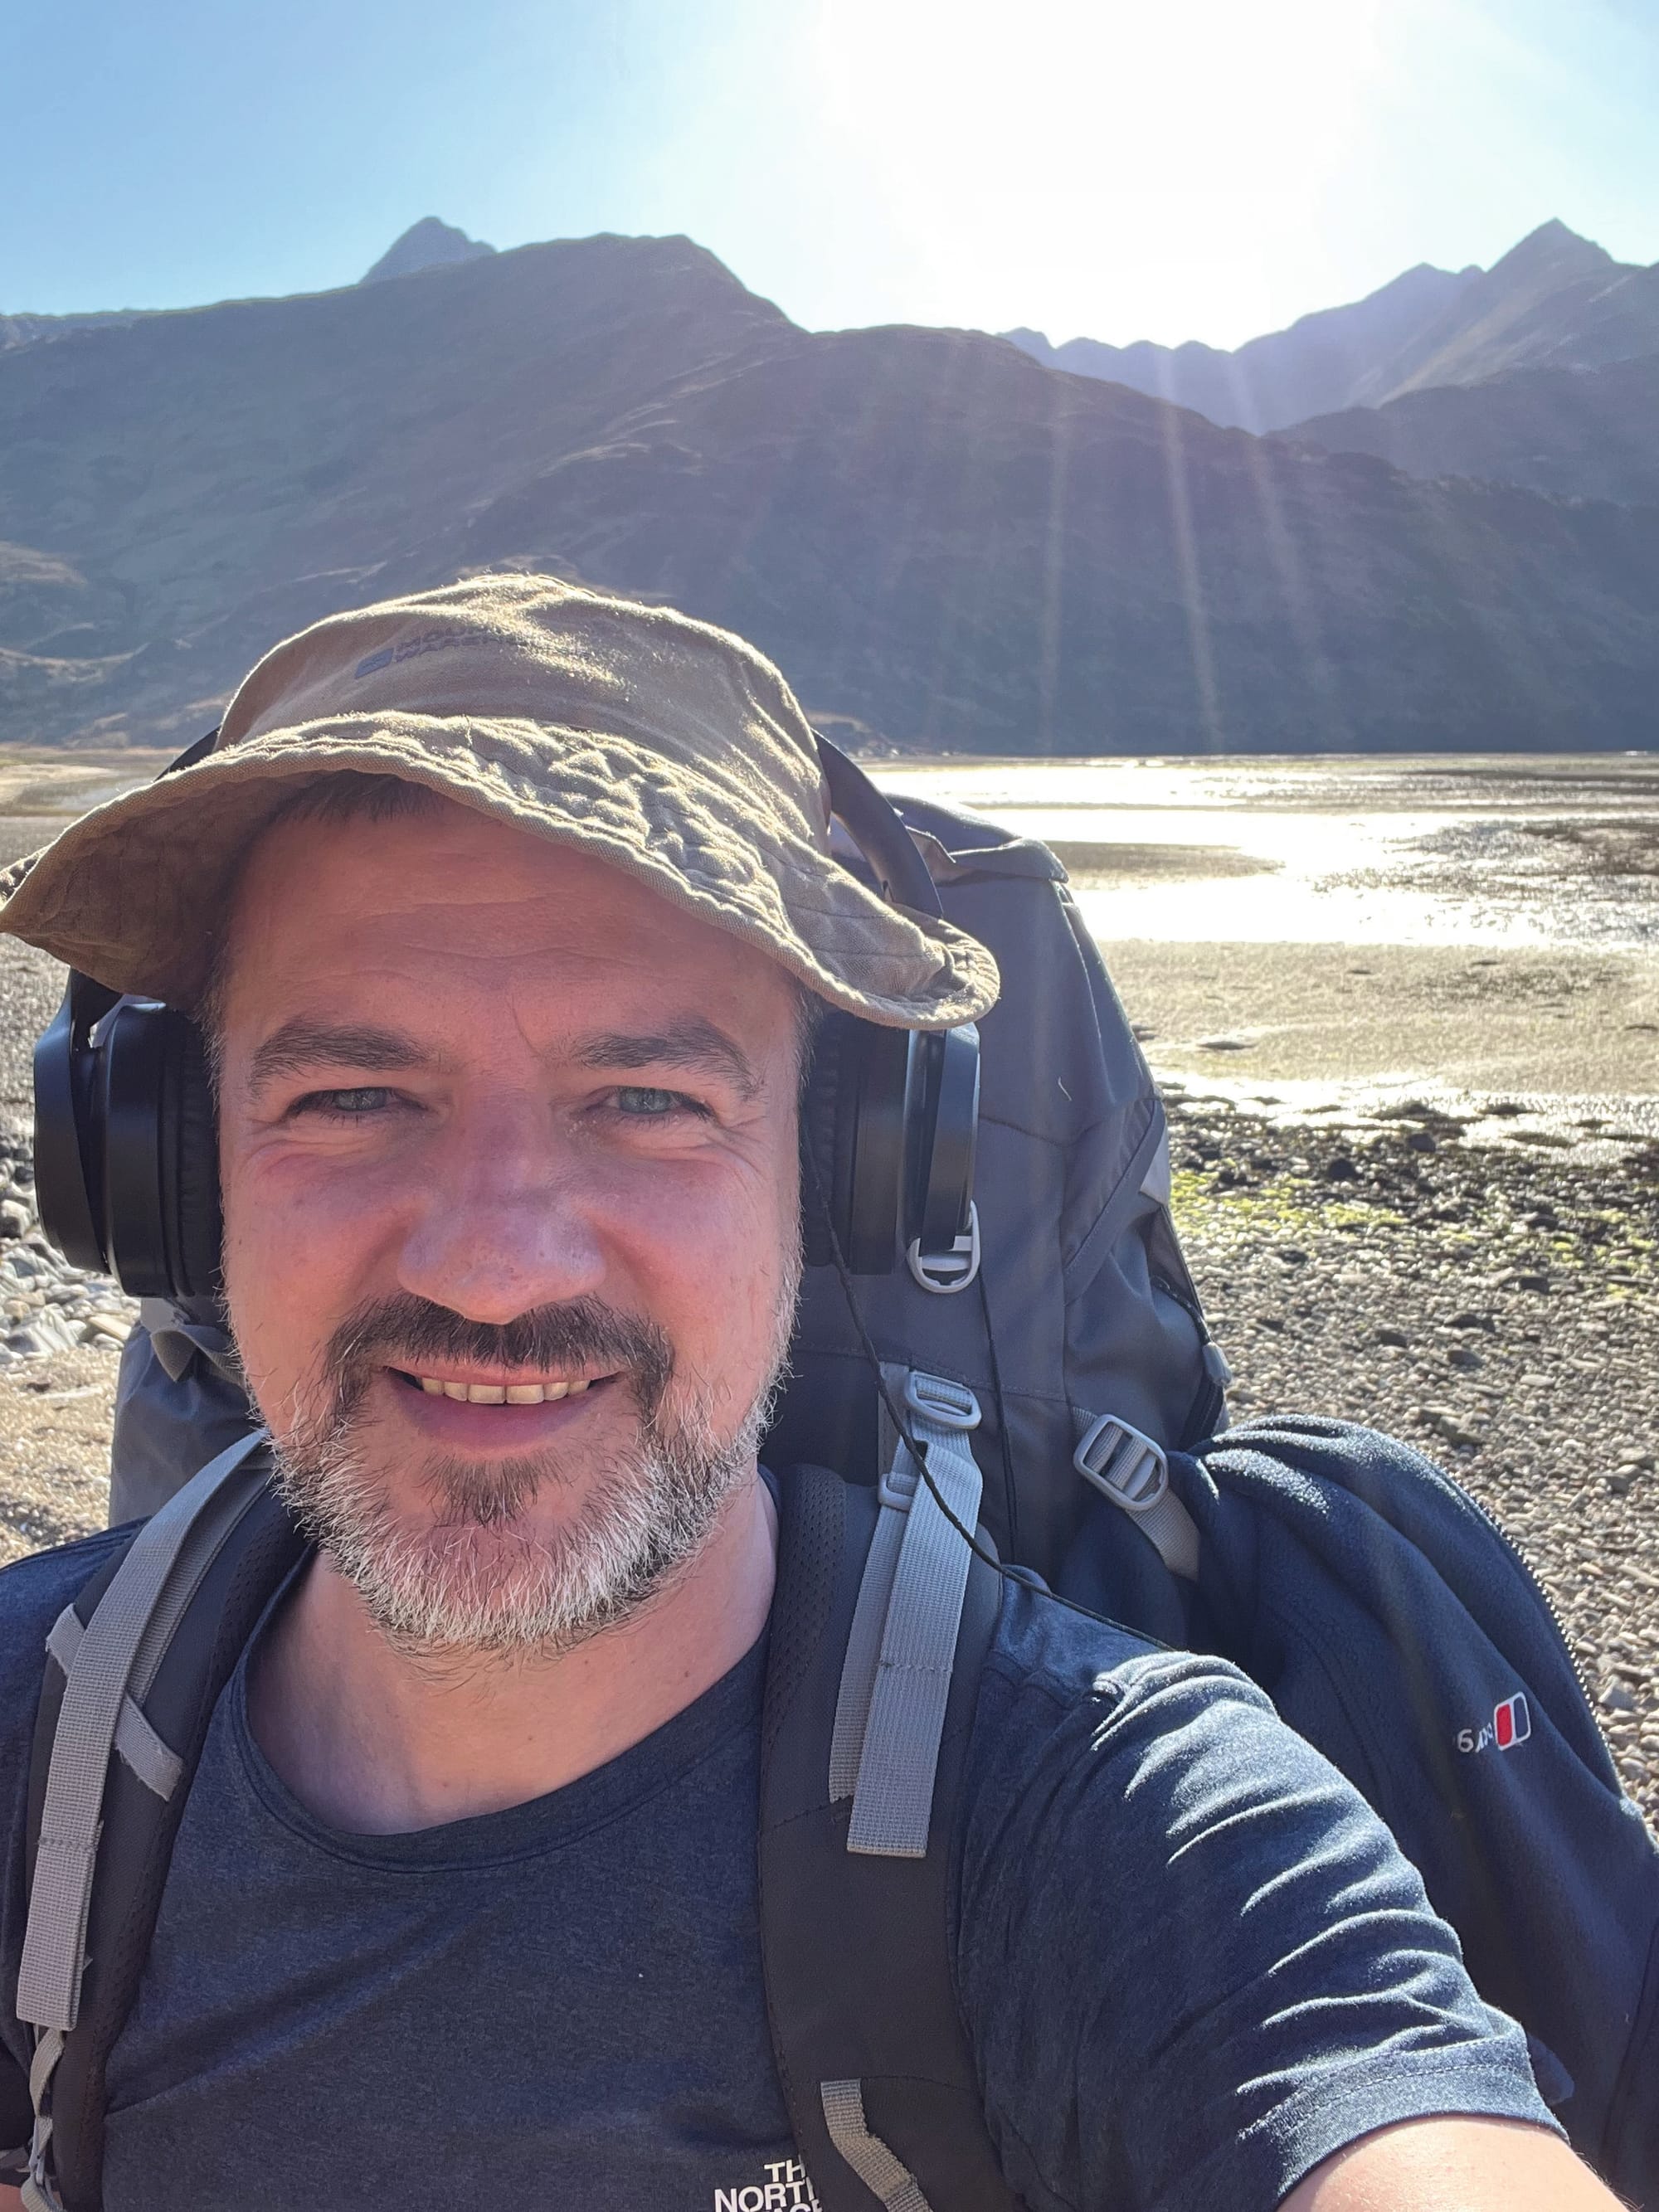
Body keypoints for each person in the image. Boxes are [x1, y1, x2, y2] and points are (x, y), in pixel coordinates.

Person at [0, 578, 1624, 2211]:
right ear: (170, 1172)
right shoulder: (28, 1768)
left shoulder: (1113, 1824)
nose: (492, 1263)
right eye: (354, 1092)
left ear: (839, 1177)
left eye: (645, 1095)